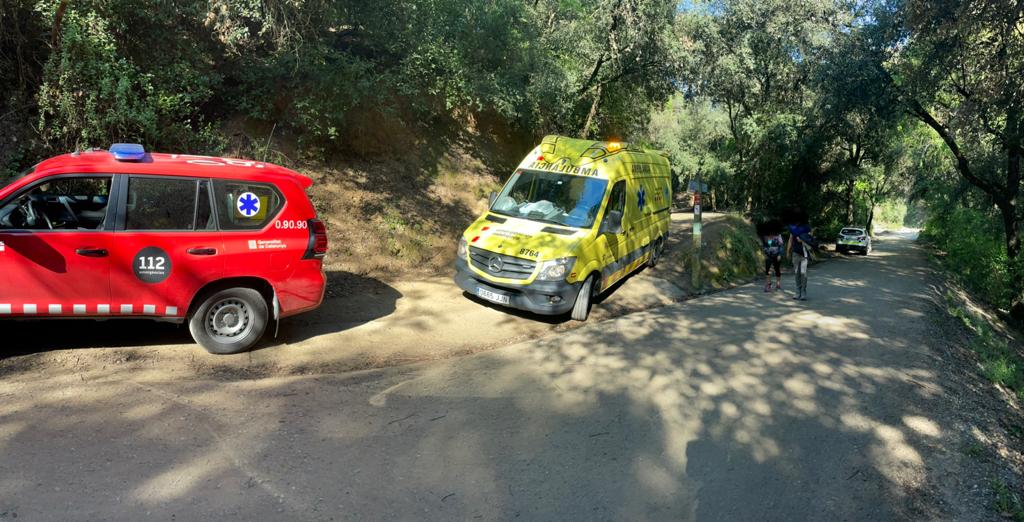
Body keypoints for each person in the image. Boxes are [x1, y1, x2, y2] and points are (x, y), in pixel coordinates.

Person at [786, 222, 812, 300]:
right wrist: (788, 251)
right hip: (795, 253)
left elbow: (810, 240)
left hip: (804, 254)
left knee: (803, 273)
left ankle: (803, 292)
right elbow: (790, 240)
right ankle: (798, 291)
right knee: (797, 273)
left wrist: (802, 241)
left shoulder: (806, 227)